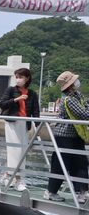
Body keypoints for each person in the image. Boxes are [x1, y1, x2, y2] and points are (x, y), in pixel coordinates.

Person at [43, 71, 89, 203]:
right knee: (60, 164)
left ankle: (82, 192)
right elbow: (83, 114)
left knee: (80, 163)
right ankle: (51, 192)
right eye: (75, 81)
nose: (77, 82)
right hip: (64, 136)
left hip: (76, 135)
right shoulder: (68, 99)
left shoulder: (78, 96)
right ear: (70, 85)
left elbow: (85, 108)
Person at [0, 67, 40, 190]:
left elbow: (35, 111)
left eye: (21, 77)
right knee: (13, 150)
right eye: (16, 77)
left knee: (22, 151)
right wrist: (17, 99)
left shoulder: (32, 94)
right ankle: (16, 178)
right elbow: (3, 104)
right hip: (12, 122)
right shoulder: (11, 90)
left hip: (24, 124)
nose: (18, 79)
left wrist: (38, 126)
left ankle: (8, 175)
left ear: (27, 78)